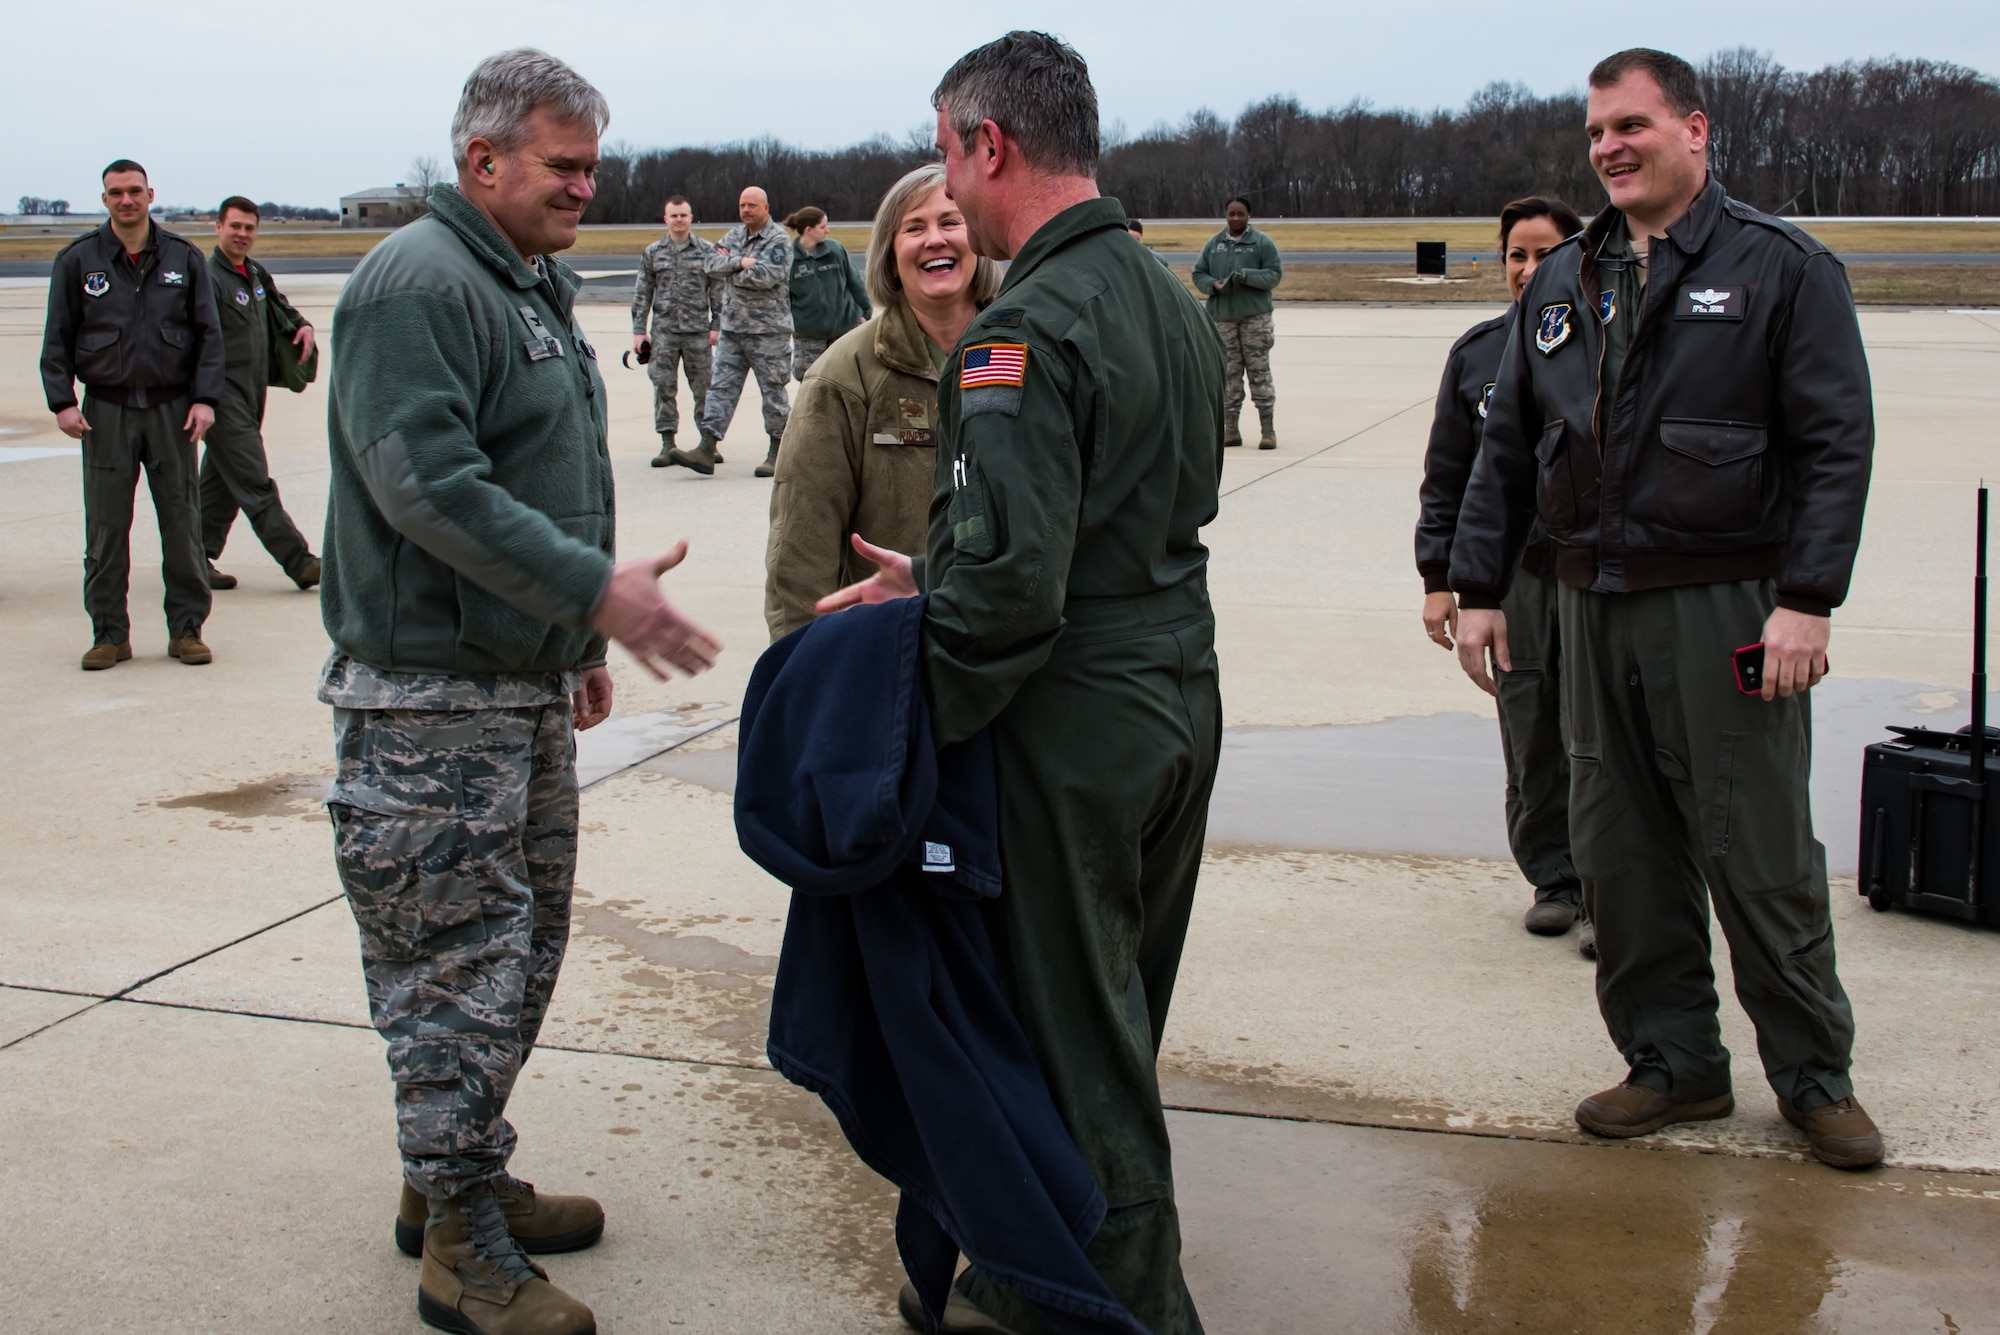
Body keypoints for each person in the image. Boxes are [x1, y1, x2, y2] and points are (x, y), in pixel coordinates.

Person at [819, 31, 1224, 1334]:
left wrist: (892, 743)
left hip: (1070, 734)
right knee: (1117, 1010)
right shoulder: (1167, 300)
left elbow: (1008, 602)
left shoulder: (1019, 332)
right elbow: (1139, 510)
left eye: (948, 149)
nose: (946, 178)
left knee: (1075, 1050)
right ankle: (1016, 1263)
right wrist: (937, 574)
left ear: (988, 144)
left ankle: (1126, 1305)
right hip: (1172, 697)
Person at [320, 49, 722, 1335]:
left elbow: (548, 478)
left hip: (508, 690)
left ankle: (452, 1174)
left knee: (516, 951)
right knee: (454, 965)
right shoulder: (415, 286)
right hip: (426, 710)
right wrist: (594, 596)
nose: (586, 186)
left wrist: (576, 645)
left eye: (592, 163)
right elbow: (424, 486)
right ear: (479, 160)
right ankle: (458, 1244)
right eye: (562, 165)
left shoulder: (526, 281)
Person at [1450, 49, 1881, 1169]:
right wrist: (1480, 588)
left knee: (1756, 849)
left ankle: (1811, 1077)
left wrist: (1806, 600)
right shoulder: (1564, 279)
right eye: (1595, 132)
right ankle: (1671, 1064)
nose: (1608, 148)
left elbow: (1835, 447)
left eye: (1631, 126)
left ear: (1694, 130)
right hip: (1587, 603)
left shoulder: (1780, 268)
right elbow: (1507, 450)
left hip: (1725, 606)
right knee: (1617, 849)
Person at [1415, 196, 1590, 954]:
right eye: (1516, 254)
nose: (1527, 269)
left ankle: (1618, 888)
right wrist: (1439, 576)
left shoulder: (1608, 346)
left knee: (1604, 729)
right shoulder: (1479, 353)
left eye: (1544, 253)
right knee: (1531, 726)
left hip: (1591, 575)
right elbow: (1449, 474)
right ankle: (1555, 877)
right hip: (1512, 576)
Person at [764, 165, 999, 640]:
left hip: (1018, 652)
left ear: (980, 239)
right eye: (914, 227)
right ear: (891, 257)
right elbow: (801, 547)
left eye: (951, 222)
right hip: (897, 647)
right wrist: (803, 674)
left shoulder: (1029, 353)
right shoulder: (843, 378)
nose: (935, 239)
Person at [40, 159, 222, 670]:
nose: (126, 200)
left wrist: (206, 399)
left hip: (173, 411)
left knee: (183, 526)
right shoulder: (78, 261)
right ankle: (109, 635)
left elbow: (210, 335)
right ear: (105, 200)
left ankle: (187, 630)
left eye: (134, 191)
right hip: (106, 412)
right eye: (116, 192)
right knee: (105, 529)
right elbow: (57, 336)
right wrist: (62, 401)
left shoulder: (183, 259)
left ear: (150, 195)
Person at [200, 196, 322, 592]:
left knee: (222, 481)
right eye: (234, 226)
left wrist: (302, 325)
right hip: (219, 396)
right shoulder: (206, 278)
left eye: (249, 228)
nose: (242, 234)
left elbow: (280, 307)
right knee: (253, 480)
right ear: (218, 227)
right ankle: (299, 561)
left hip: (252, 393)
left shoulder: (253, 274)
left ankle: (194, 557)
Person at [668, 185, 793, 477]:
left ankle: (778, 452)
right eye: (742, 205)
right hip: (733, 330)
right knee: (720, 389)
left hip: (768, 332)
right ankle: (706, 448)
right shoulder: (734, 236)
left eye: (752, 205)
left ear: (766, 207)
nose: (746, 210)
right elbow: (710, 264)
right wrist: (739, 262)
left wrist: (732, 270)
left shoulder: (778, 240)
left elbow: (767, 275)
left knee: (773, 393)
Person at [631, 195, 722, 467]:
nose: (679, 220)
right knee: (664, 388)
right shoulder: (653, 252)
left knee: (705, 389)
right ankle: (667, 443)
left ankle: (708, 444)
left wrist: (716, 326)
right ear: (666, 219)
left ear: (691, 218)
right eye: (674, 215)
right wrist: (639, 331)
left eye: (684, 215)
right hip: (664, 333)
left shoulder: (707, 251)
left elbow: (718, 292)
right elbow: (642, 293)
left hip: (698, 333)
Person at [1191, 197, 1282, 449]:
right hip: (1223, 319)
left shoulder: (1261, 243)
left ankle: (1267, 429)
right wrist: (1213, 285)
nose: (1235, 219)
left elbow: (1274, 274)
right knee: (1228, 376)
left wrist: (1247, 277)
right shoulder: (1215, 244)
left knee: (1259, 373)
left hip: (1254, 319)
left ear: (1249, 215)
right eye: (1231, 214)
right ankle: (1230, 429)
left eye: (1240, 214)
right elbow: (1198, 274)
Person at [784, 205, 871, 381]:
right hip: (809, 334)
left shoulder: (835, 250)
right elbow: (784, 298)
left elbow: (855, 283)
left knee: (851, 376)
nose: (827, 231)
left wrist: (864, 314)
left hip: (844, 327)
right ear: (809, 230)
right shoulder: (789, 259)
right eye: (823, 227)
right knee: (810, 380)